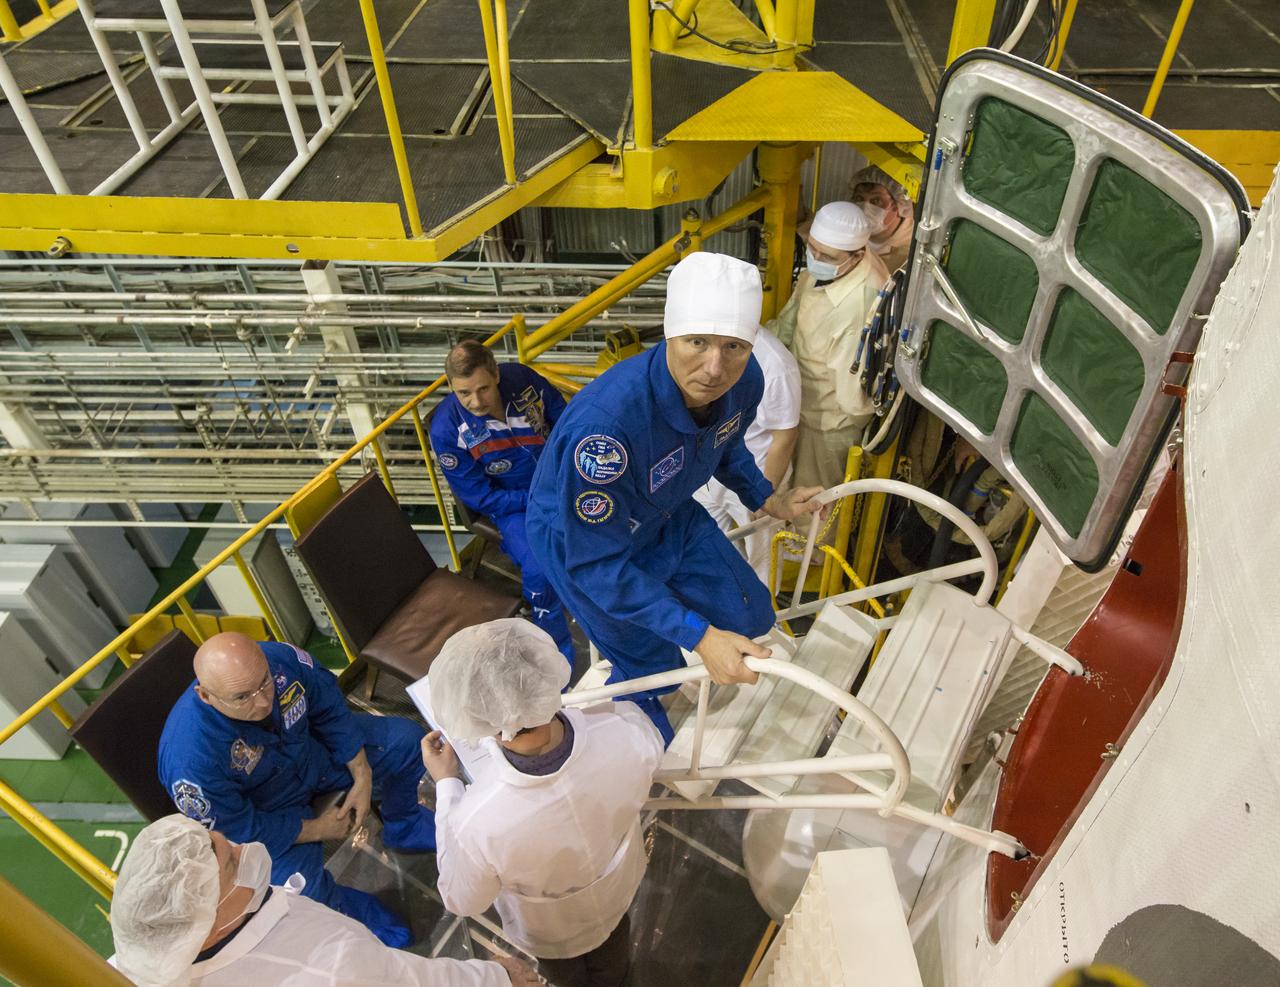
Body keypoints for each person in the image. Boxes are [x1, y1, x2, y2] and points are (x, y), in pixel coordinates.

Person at [526, 251, 822, 743]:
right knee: (651, 668)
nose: (714, 367)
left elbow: (725, 444)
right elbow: (597, 565)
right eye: (697, 342)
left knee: (754, 615)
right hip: (589, 546)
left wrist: (767, 498)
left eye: (733, 346)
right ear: (669, 334)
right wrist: (700, 636)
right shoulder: (607, 434)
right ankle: (637, 749)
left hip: (669, 514)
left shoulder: (746, 381)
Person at [421, 619, 665, 987]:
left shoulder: (477, 820)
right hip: (617, 895)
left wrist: (447, 785)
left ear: (474, 720)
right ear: (545, 675)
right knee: (615, 963)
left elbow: (461, 899)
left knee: (568, 978)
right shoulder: (624, 730)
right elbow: (649, 754)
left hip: (551, 933)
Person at [158, 632, 436, 947]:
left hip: (312, 753)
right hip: (271, 809)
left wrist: (362, 774)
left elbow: (329, 708)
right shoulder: (190, 762)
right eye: (242, 698)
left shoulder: (280, 660)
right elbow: (240, 828)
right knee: (299, 894)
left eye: (264, 683)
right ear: (206, 696)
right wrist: (318, 829)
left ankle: (404, 824)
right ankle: (353, 917)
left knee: (408, 741)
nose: (263, 702)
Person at [108, 814, 538, 987]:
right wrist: (499, 975)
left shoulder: (135, 964)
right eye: (230, 862)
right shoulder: (329, 967)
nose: (245, 850)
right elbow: (417, 982)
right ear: (205, 919)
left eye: (224, 842)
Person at [430, 340, 574, 666]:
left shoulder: (521, 378)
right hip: (514, 506)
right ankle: (558, 659)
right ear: (451, 387)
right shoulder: (447, 430)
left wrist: (571, 464)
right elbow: (479, 496)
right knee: (540, 572)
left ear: (496, 374)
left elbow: (562, 415)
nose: (476, 401)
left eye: (482, 388)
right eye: (464, 393)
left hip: (561, 475)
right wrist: (539, 500)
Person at [772, 201, 891, 494]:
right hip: (799, 402)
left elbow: (852, 398)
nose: (816, 258)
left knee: (814, 509)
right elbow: (793, 314)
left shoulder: (858, 305)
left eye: (826, 255)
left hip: (826, 425)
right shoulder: (834, 266)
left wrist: (841, 431)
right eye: (812, 248)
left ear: (858, 255)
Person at [692, 322, 800, 587]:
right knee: (708, 553)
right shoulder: (702, 343)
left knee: (761, 567)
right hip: (709, 472)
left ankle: (765, 624)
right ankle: (723, 615)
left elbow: (784, 437)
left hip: (754, 474)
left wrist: (764, 495)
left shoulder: (775, 365)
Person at [849, 164, 916, 273]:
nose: (865, 207)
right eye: (859, 198)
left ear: (899, 204)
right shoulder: (846, 230)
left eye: (876, 201)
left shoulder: (912, 252)